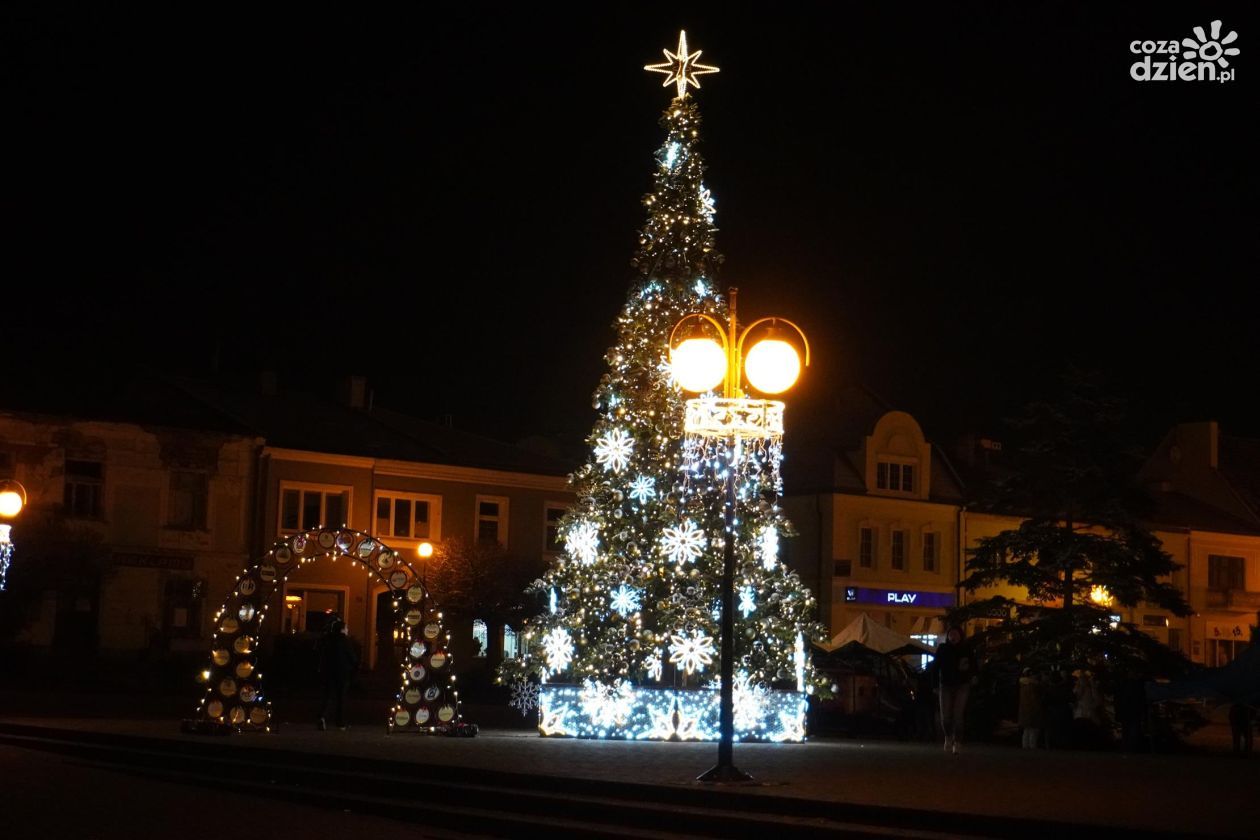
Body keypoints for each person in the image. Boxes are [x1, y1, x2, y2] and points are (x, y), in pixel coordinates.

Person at [935, 626, 978, 753]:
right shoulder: (943, 649)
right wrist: (934, 685)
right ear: (948, 636)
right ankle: (948, 737)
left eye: (956, 634)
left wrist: (973, 676)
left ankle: (958, 742)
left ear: (960, 636)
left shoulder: (966, 649)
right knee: (945, 716)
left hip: (962, 684)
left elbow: (973, 665)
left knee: (958, 715)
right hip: (946, 684)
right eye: (951, 634)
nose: (953, 637)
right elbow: (936, 666)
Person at [316, 616, 359, 731]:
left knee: (327, 695)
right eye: (346, 628)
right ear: (342, 629)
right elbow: (352, 657)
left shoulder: (327, 640)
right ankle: (340, 723)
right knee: (341, 698)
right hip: (342, 672)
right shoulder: (345, 641)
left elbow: (321, 654)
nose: (347, 630)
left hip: (328, 672)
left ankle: (322, 716)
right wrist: (354, 667)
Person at [1018, 668, 1044, 749]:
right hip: (1033, 709)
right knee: (1033, 729)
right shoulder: (1033, 685)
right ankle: (1032, 746)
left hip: (1024, 709)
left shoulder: (1022, 684)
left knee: (1026, 729)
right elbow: (1034, 699)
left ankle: (1025, 745)